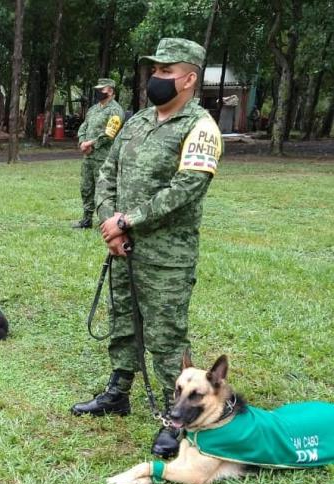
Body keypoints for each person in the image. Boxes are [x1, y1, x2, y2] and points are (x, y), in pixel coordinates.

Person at [70, 38, 224, 460]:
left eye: (166, 72)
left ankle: (180, 420)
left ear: (189, 78)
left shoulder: (201, 127)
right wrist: (111, 224)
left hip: (166, 254)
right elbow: (106, 172)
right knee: (124, 320)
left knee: (166, 334)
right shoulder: (136, 122)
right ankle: (118, 393)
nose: (156, 78)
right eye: (154, 70)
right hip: (123, 246)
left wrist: (128, 220)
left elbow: (187, 188)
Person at [73, 78, 124, 229]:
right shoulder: (93, 109)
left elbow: (110, 133)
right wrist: (82, 142)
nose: (98, 92)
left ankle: (107, 222)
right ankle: (86, 219)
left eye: (102, 89)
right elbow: (83, 127)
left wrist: (92, 144)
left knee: (104, 189)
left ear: (111, 91)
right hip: (88, 156)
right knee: (86, 187)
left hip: (104, 157)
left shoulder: (115, 110)